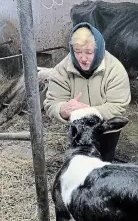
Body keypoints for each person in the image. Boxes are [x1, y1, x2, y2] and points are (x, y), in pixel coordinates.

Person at [44, 22, 131, 162]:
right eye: (77, 52)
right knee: (78, 163)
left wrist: (90, 111)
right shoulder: (61, 71)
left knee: (104, 163)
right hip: (77, 129)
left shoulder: (115, 70)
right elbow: (51, 103)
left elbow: (118, 105)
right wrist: (61, 109)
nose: (83, 58)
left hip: (106, 129)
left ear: (99, 49)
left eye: (89, 52)